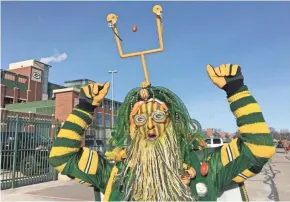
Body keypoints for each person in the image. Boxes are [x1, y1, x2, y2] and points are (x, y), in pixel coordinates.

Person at [49, 64, 275, 201]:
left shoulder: (204, 165)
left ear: (173, 122)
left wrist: (236, 90)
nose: (149, 126)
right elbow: (61, 157)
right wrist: (85, 107)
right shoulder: (115, 172)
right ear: (132, 127)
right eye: (140, 119)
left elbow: (259, 149)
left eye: (158, 117)